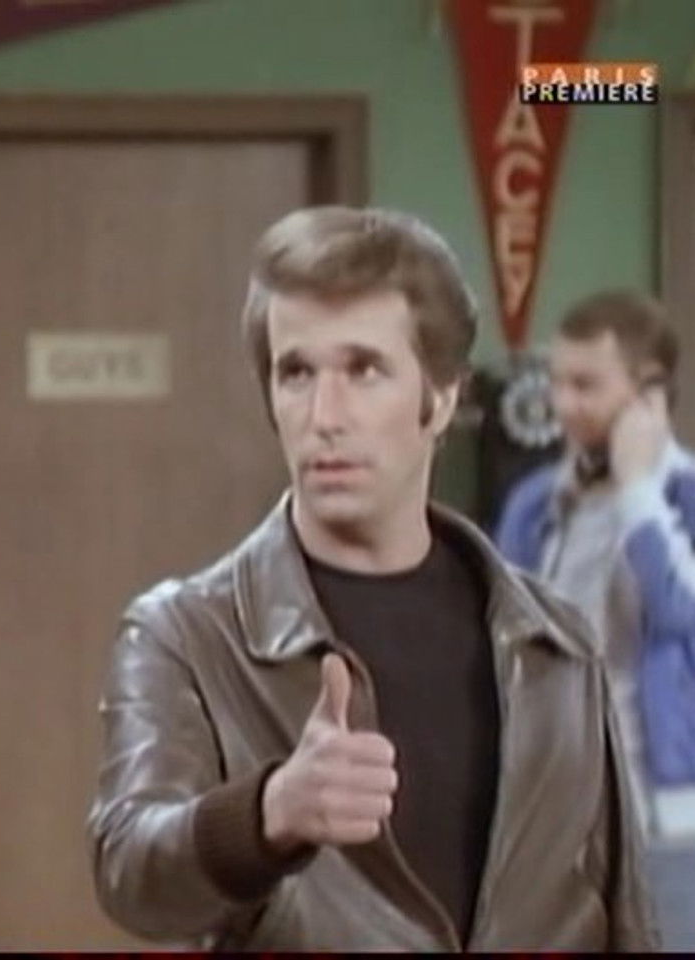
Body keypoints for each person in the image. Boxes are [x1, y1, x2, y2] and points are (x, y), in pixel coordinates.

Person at [86, 206, 657, 951]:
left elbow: (623, 913)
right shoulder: (187, 634)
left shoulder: (554, 643)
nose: (325, 415)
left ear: (440, 399)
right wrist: (268, 813)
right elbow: (129, 868)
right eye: (296, 373)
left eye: (364, 369)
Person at [495, 289, 695, 952]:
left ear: (649, 392)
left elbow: (682, 608)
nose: (563, 404)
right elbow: (504, 644)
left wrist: (638, 488)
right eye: (556, 382)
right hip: (555, 821)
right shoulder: (535, 504)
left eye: (586, 385)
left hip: (666, 822)